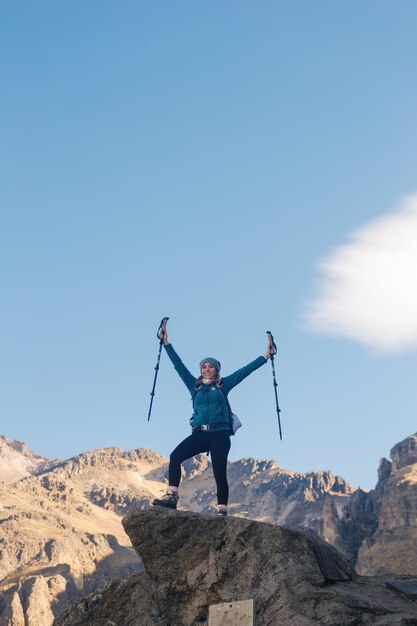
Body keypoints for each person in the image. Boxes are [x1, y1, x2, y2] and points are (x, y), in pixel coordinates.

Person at [152, 319, 276, 516]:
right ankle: (171, 497)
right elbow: (178, 365)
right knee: (175, 457)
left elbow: (245, 371)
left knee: (219, 471)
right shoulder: (194, 385)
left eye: (210, 366)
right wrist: (166, 343)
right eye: (203, 367)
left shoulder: (223, 385)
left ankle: (222, 510)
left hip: (220, 435)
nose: (206, 369)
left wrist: (266, 356)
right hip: (200, 434)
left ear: (216, 370)